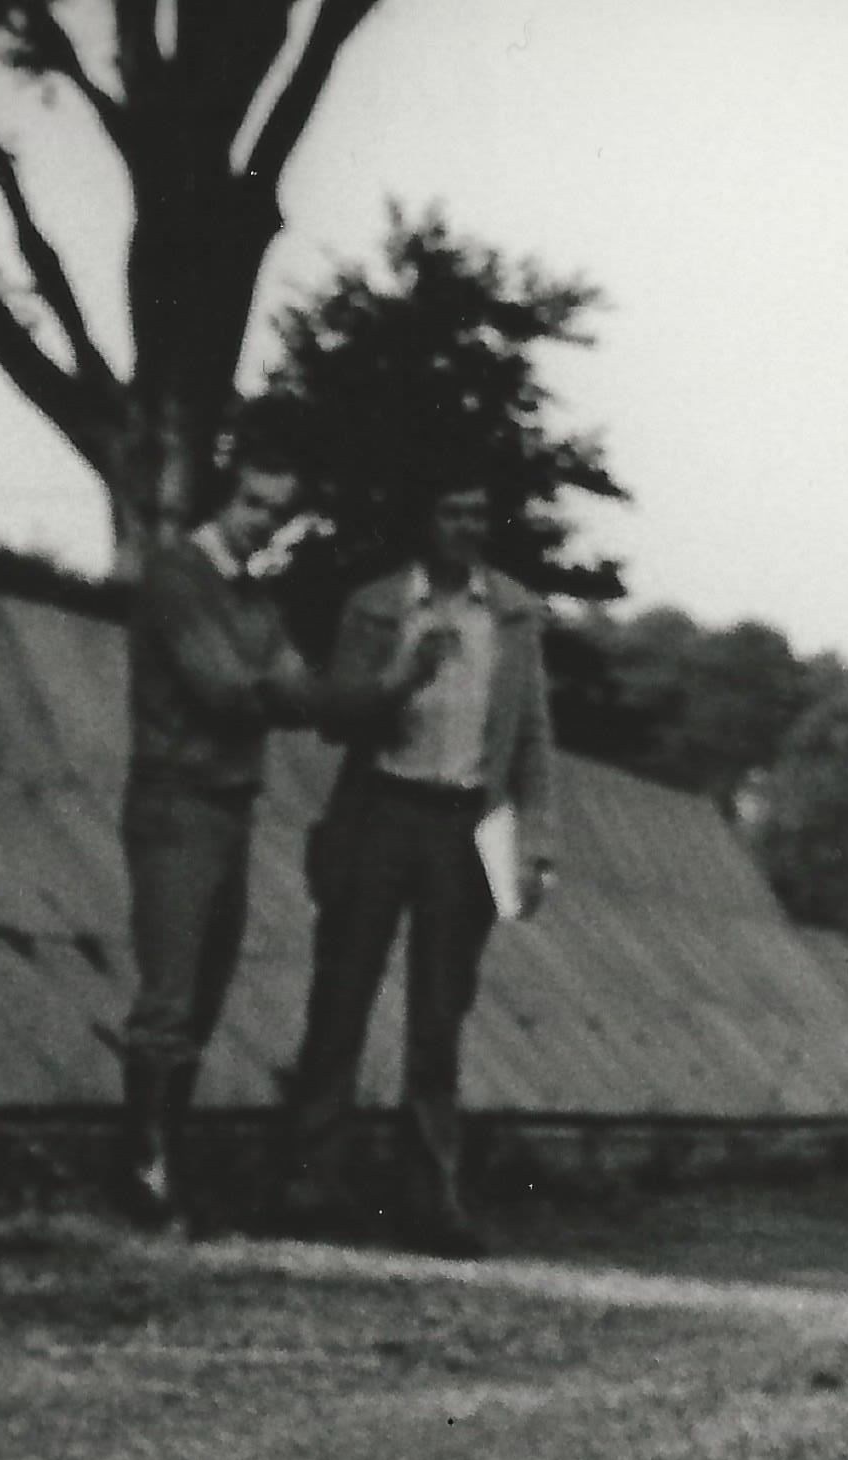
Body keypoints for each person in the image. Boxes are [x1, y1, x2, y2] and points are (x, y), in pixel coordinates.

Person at [110, 450, 417, 1228]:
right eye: (254, 504)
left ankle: (158, 1171)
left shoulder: (253, 597)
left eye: (278, 512)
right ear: (224, 500)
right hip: (177, 801)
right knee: (172, 997)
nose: (265, 524)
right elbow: (226, 689)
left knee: (202, 995)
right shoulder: (178, 578)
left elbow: (294, 687)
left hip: (228, 805)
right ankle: (145, 1179)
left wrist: (389, 689)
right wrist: (304, 694)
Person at [269, 477, 559, 1253]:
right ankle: (311, 1179)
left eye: (477, 512)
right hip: (379, 810)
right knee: (342, 997)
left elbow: (531, 734)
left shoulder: (515, 615)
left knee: (440, 1015)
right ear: (424, 521)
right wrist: (402, 679)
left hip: (465, 824)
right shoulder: (378, 606)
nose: (466, 527)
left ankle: (432, 1198)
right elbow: (333, 718)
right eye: (450, 511)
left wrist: (537, 841)